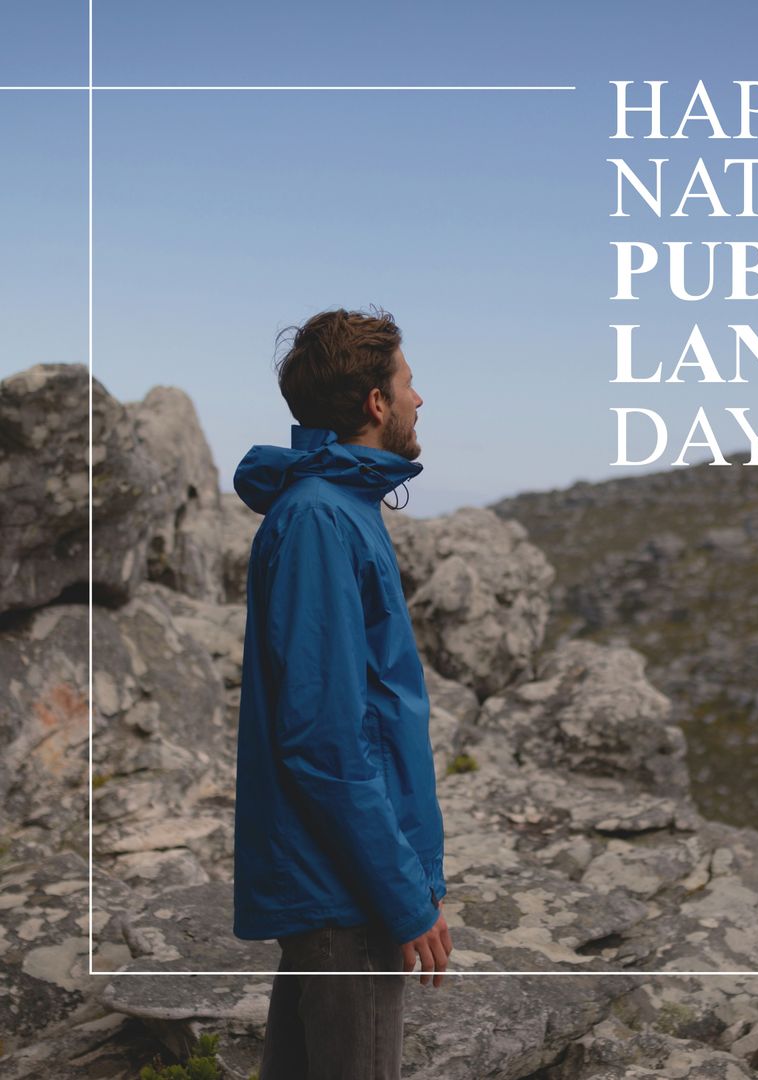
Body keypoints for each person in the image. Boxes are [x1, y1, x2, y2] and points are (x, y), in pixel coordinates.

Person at [231, 307, 452, 1080]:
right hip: (345, 894)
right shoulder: (322, 520)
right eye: (408, 383)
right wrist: (402, 893)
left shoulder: (337, 509)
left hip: (340, 884)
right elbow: (324, 738)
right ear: (375, 402)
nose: (420, 398)